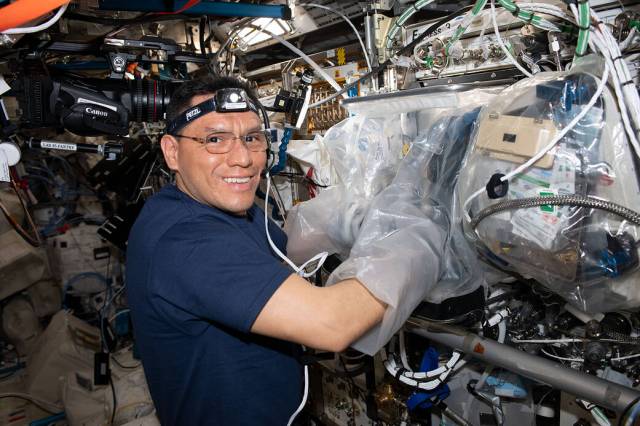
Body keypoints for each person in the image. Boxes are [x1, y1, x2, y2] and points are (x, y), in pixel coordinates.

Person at [126, 76, 386, 426]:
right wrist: (416, 246)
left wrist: (330, 225)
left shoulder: (214, 209)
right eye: (215, 140)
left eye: (252, 138)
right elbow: (332, 325)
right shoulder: (186, 240)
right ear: (172, 152)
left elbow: (261, 259)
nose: (243, 159)